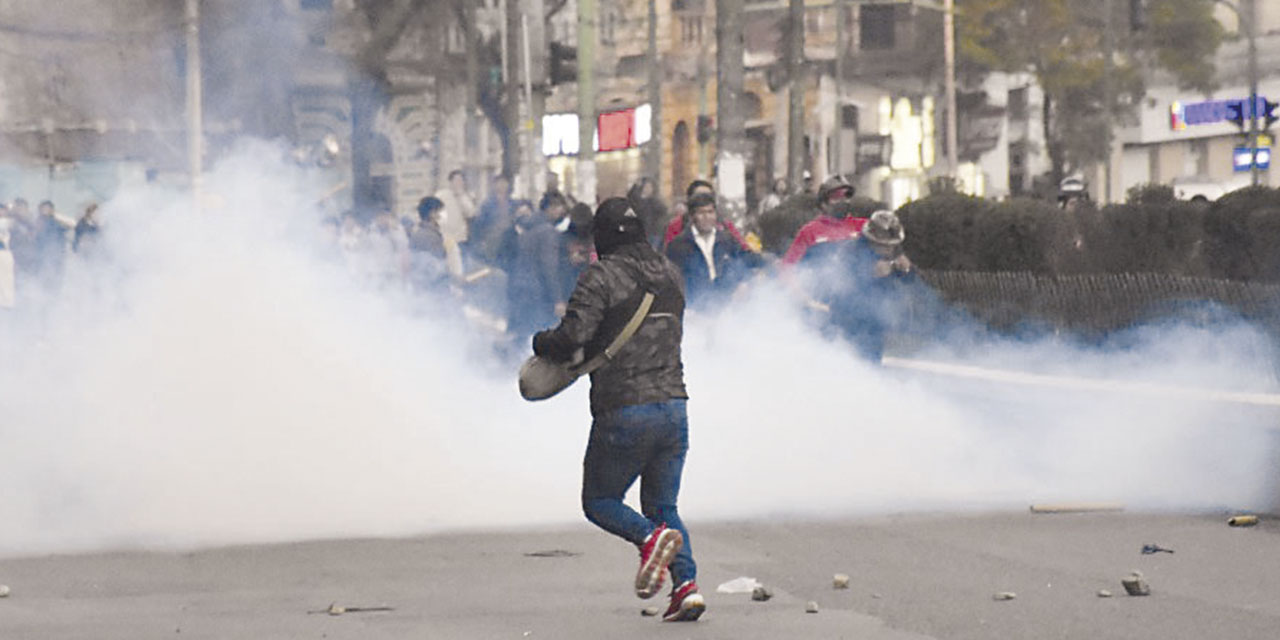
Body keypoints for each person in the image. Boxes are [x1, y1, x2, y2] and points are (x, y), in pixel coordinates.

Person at [531, 197, 705, 623]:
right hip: (674, 406)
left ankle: (650, 540)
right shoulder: (671, 273)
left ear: (603, 238)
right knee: (664, 505)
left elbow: (574, 336)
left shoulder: (602, 275)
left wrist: (541, 343)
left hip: (625, 408)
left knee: (600, 500)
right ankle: (686, 588)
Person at [812, 209, 916, 361]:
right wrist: (869, 273)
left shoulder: (893, 250)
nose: (889, 250)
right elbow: (841, 284)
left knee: (872, 363)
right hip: (847, 319)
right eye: (884, 246)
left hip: (875, 321)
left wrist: (907, 269)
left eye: (892, 246)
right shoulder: (850, 250)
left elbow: (909, 279)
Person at [664, 192, 764, 308]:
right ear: (692, 216)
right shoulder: (678, 246)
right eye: (701, 213)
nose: (706, 217)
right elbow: (670, 283)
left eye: (710, 212)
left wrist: (745, 282)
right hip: (695, 310)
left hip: (729, 306)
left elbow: (745, 260)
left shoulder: (727, 239)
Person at [498, 199, 567, 339]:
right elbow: (549, 266)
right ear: (550, 208)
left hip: (519, 288)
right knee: (535, 336)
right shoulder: (548, 232)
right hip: (537, 293)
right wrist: (558, 299)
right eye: (559, 206)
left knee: (518, 334)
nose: (561, 211)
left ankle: (508, 360)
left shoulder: (528, 229)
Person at [782, 174, 865, 265]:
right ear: (823, 204)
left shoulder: (862, 227)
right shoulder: (809, 232)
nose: (843, 201)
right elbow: (788, 265)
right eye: (837, 196)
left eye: (846, 196)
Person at [471, 173, 516, 264]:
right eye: (499, 183)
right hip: (492, 241)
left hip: (509, 240)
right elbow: (479, 224)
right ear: (495, 185)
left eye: (505, 183)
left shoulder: (513, 203)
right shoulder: (487, 204)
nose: (502, 185)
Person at [435, 169, 476, 248]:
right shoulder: (441, 195)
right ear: (450, 181)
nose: (458, 183)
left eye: (461, 180)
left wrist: (460, 197)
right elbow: (438, 216)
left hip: (461, 238)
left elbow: (471, 213)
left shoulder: (465, 196)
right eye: (456, 180)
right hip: (445, 238)